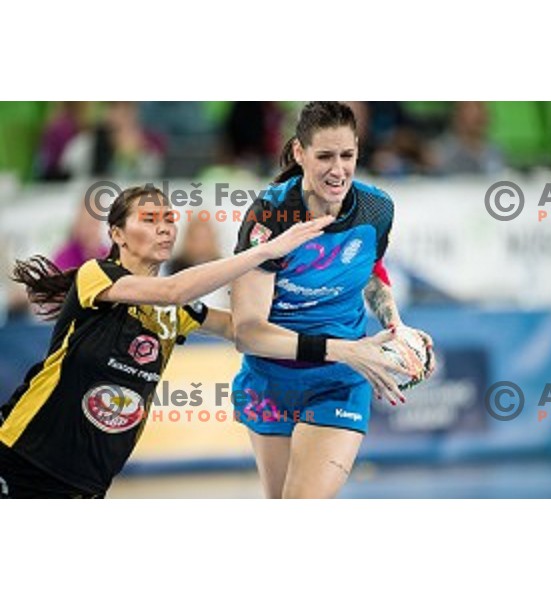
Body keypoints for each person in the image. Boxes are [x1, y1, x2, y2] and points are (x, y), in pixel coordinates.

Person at [0, 185, 333, 498]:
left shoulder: (178, 310)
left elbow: (245, 330)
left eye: (169, 220)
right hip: (23, 454)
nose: (165, 228)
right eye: (149, 220)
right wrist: (265, 251)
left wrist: (335, 339)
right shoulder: (97, 274)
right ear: (117, 235)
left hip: (87, 481)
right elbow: (173, 289)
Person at [230, 101, 435, 499]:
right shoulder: (270, 216)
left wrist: (396, 323)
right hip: (271, 379)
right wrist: (341, 349)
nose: (337, 170)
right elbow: (248, 332)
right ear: (299, 153)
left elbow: (370, 271)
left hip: (340, 380)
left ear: (359, 149)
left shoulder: (376, 209)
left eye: (347, 155)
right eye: (324, 156)